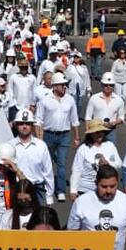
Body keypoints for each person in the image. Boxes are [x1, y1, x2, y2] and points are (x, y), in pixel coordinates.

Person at [38, 74, 80, 203]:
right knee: (47, 164)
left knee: (62, 164)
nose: (64, 87)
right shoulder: (45, 100)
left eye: (65, 85)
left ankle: (61, 190)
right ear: (55, 86)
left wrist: (77, 137)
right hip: (48, 134)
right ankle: (48, 190)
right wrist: (39, 138)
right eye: (62, 85)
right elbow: (38, 120)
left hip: (64, 135)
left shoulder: (70, 100)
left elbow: (74, 120)